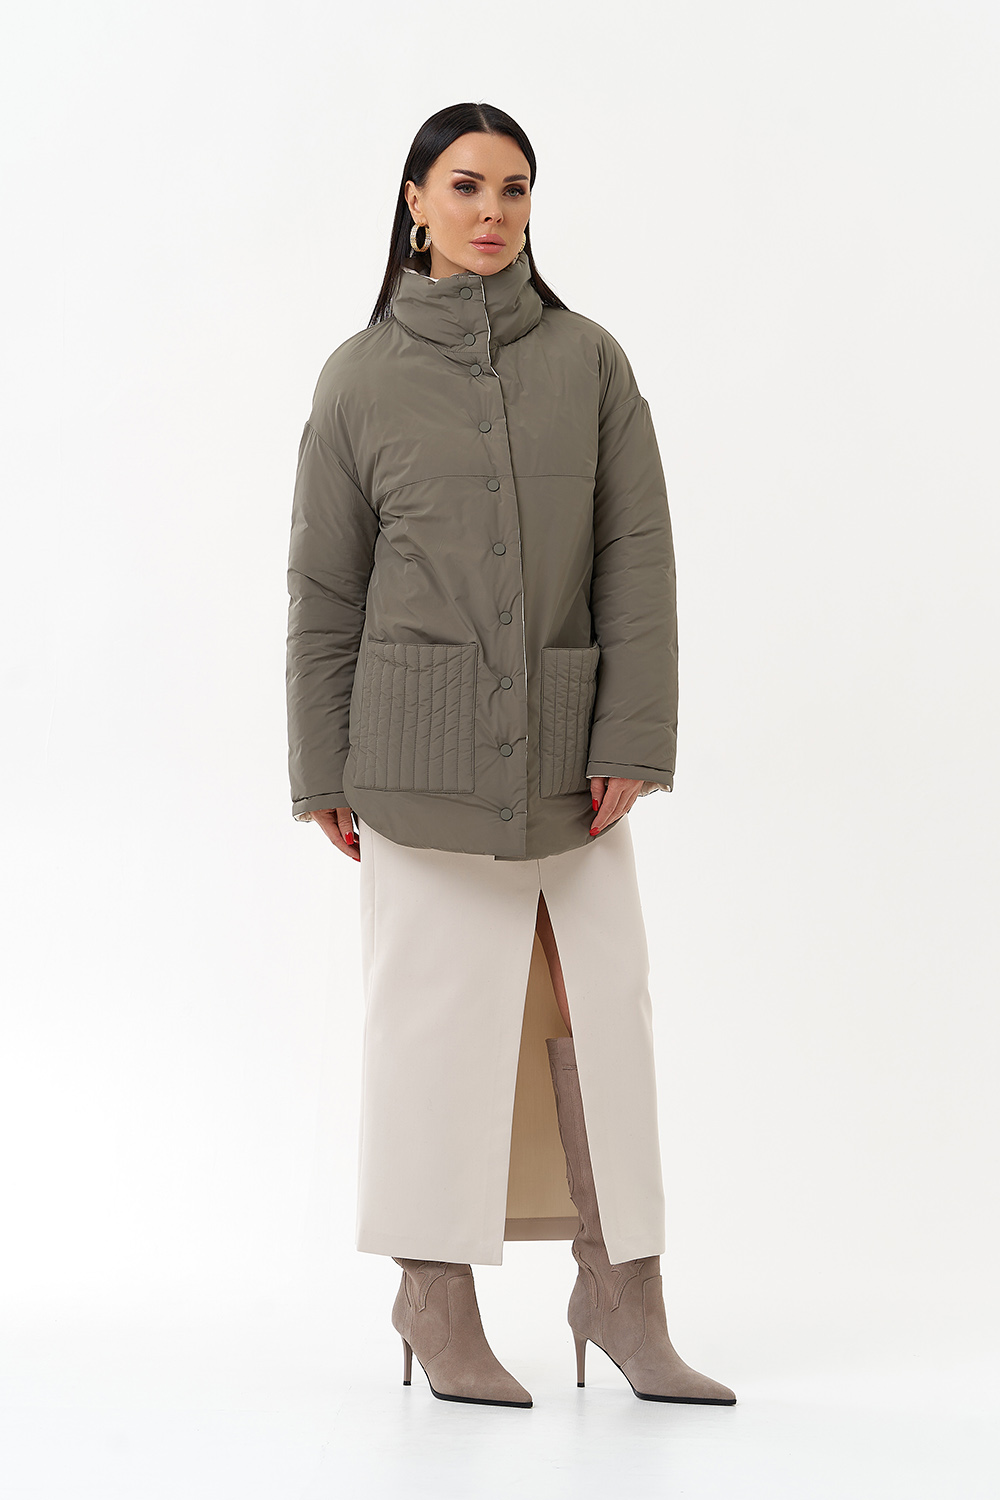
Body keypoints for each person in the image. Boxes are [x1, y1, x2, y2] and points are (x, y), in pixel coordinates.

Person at [285, 101, 736, 1411]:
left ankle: (623, 1295)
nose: (494, 212)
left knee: (606, 1021)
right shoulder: (357, 380)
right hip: (412, 761)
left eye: (517, 189)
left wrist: (633, 736)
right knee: (433, 1031)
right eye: (469, 186)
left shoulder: (591, 363)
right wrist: (321, 768)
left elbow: (636, 559)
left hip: (571, 764)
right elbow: (324, 588)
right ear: (415, 201)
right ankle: (434, 1299)